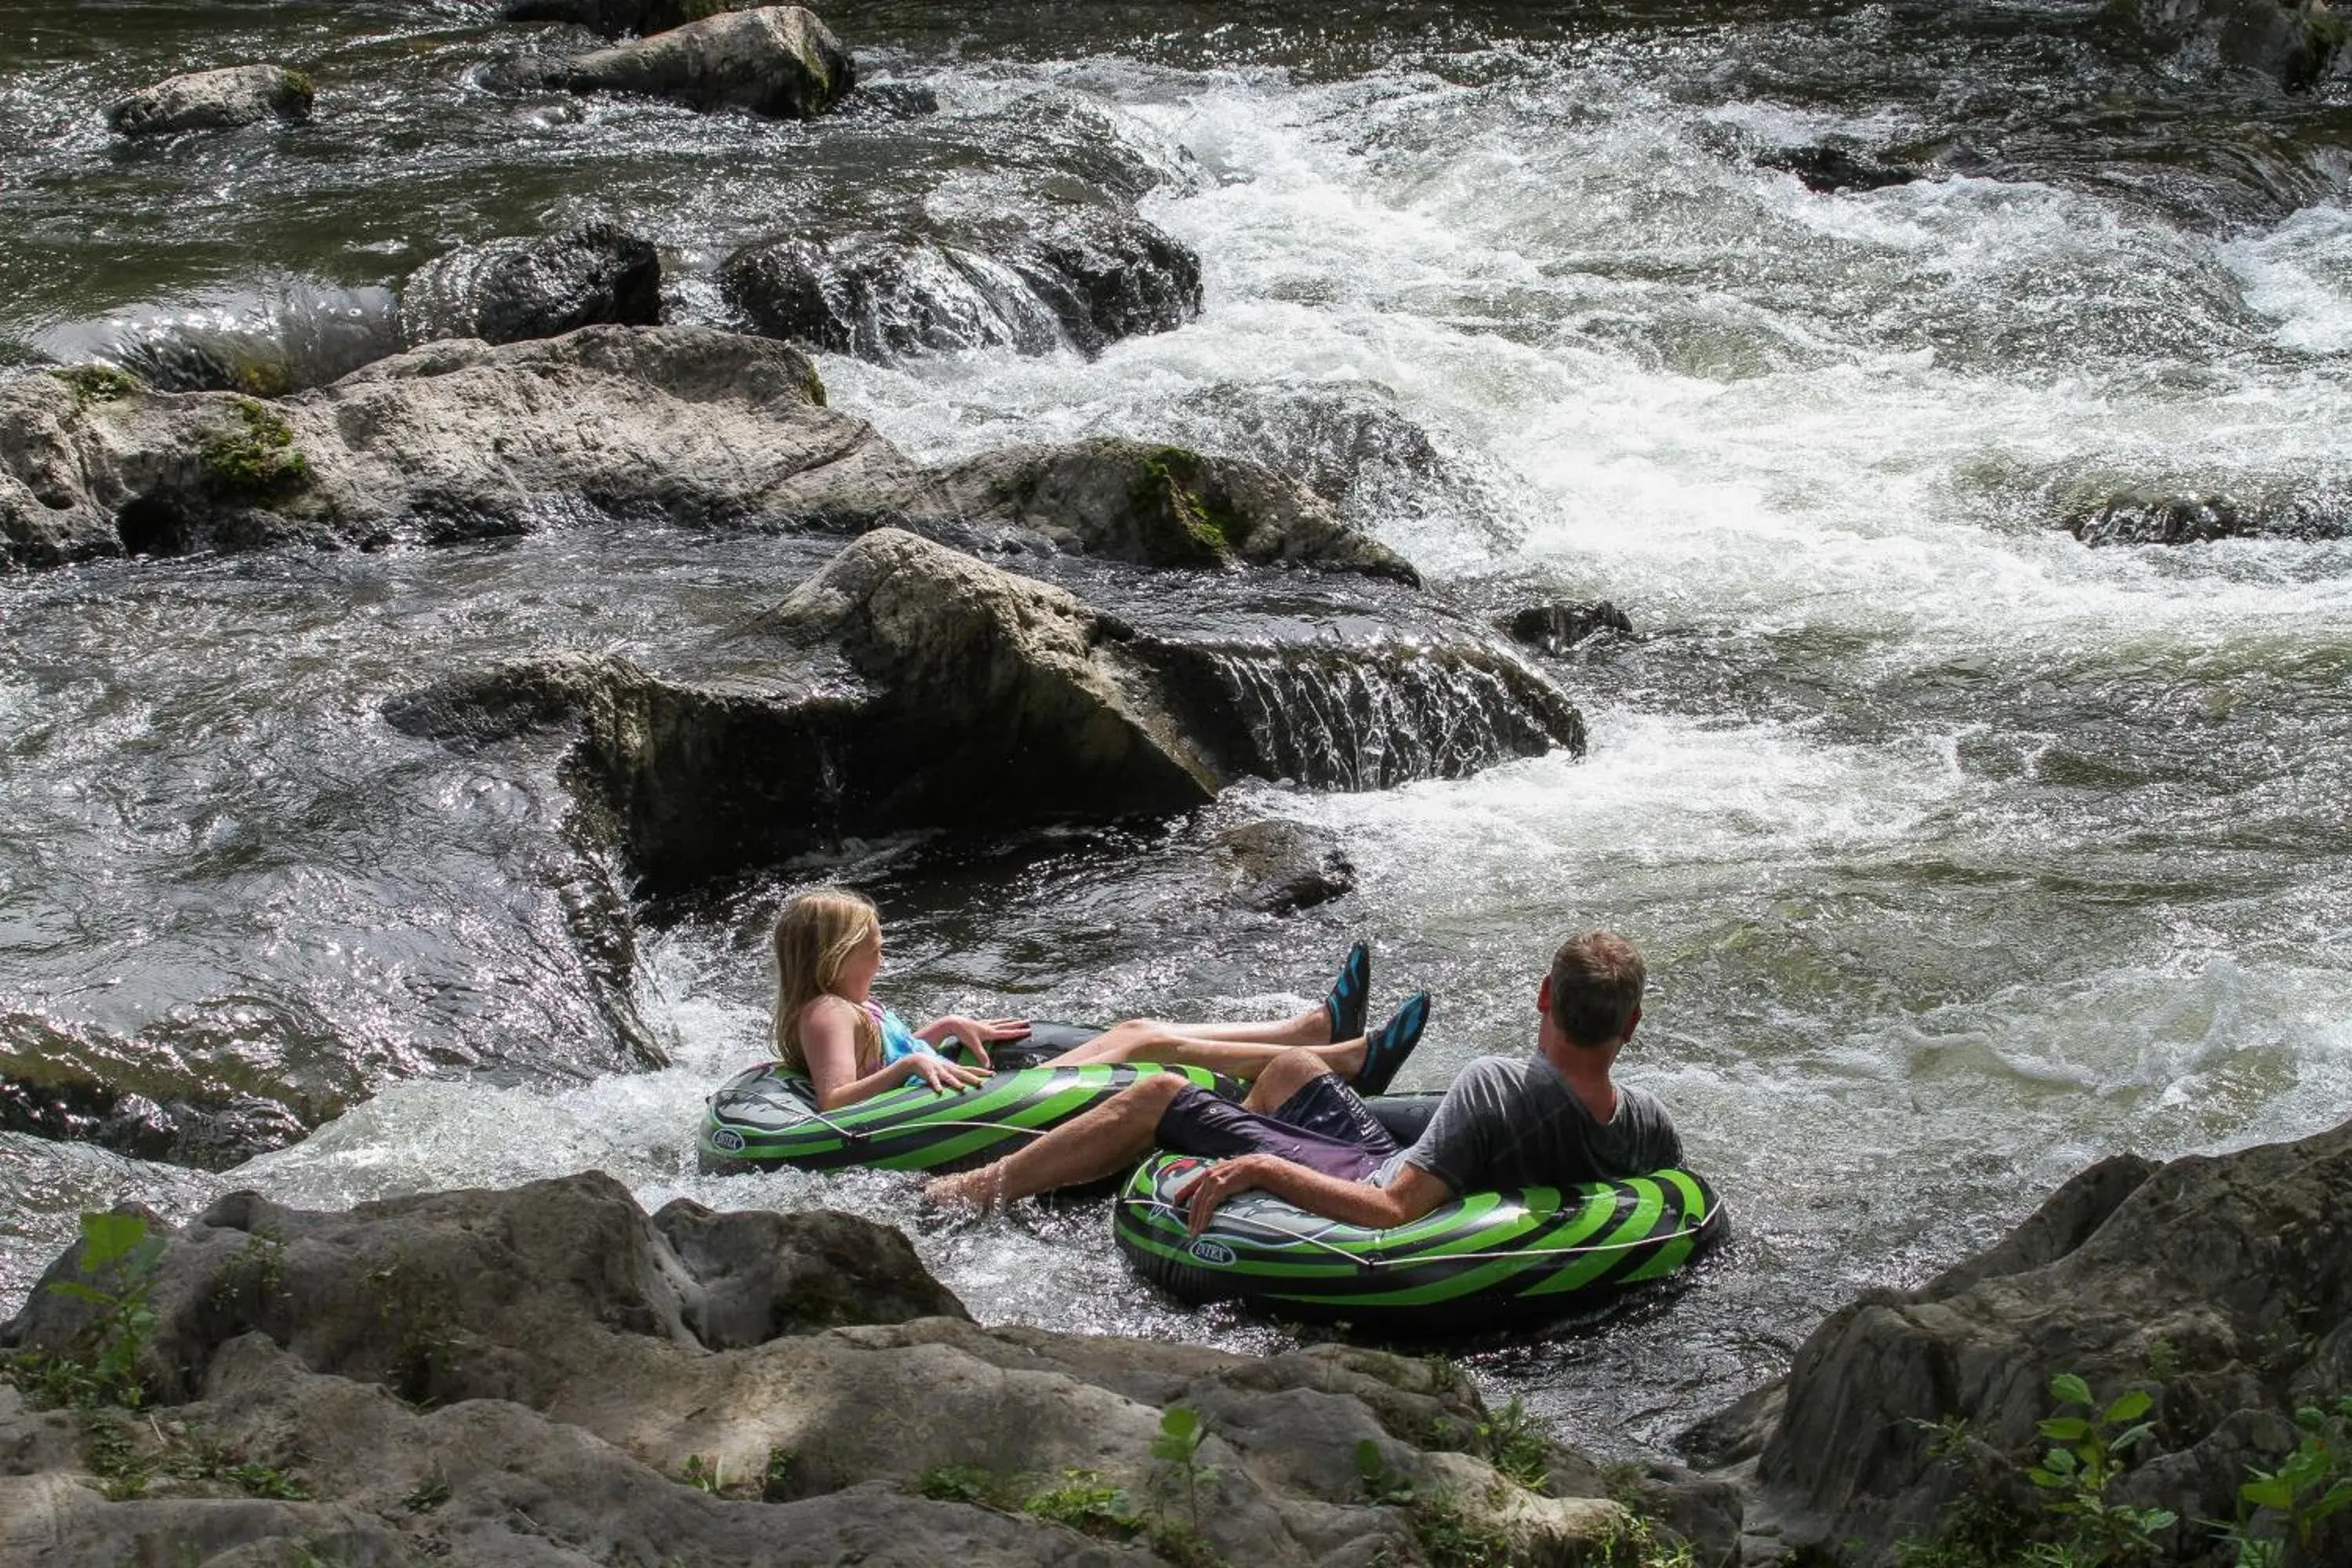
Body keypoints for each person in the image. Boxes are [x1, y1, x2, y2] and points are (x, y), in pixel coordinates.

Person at [921, 930, 1680, 1232]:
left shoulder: (1494, 1087)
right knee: (1289, 1069)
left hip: (1373, 1180)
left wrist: (1264, 1167)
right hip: (1414, 1163)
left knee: (1156, 1093)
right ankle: (1304, 1073)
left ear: (1544, 996)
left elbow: (1389, 1206)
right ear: (1632, 1024)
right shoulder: (1648, 1124)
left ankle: (975, 1187)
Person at [770, 885, 1432, 1112]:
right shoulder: (827, 1010)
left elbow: (873, 1054)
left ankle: (1313, 1029)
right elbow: (836, 1101)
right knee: (1143, 1043)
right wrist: (912, 1064)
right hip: (967, 1106)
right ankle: (1345, 1060)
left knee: (1136, 1023)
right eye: (871, 945)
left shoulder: (851, 1006)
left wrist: (937, 1029)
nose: (882, 954)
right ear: (832, 956)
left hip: (964, 1088)